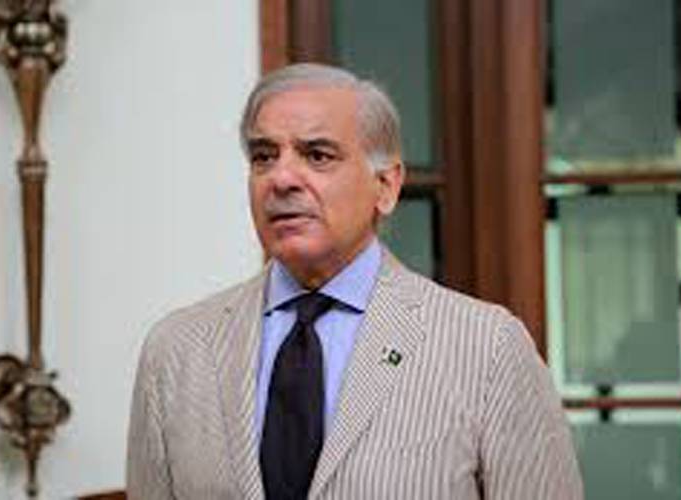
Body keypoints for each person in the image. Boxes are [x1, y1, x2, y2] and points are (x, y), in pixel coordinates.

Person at [126, 63, 583, 499]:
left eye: (317, 155)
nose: (281, 178)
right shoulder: (177, 351)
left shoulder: (487, 348)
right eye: (264, 157)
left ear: (386, 186)